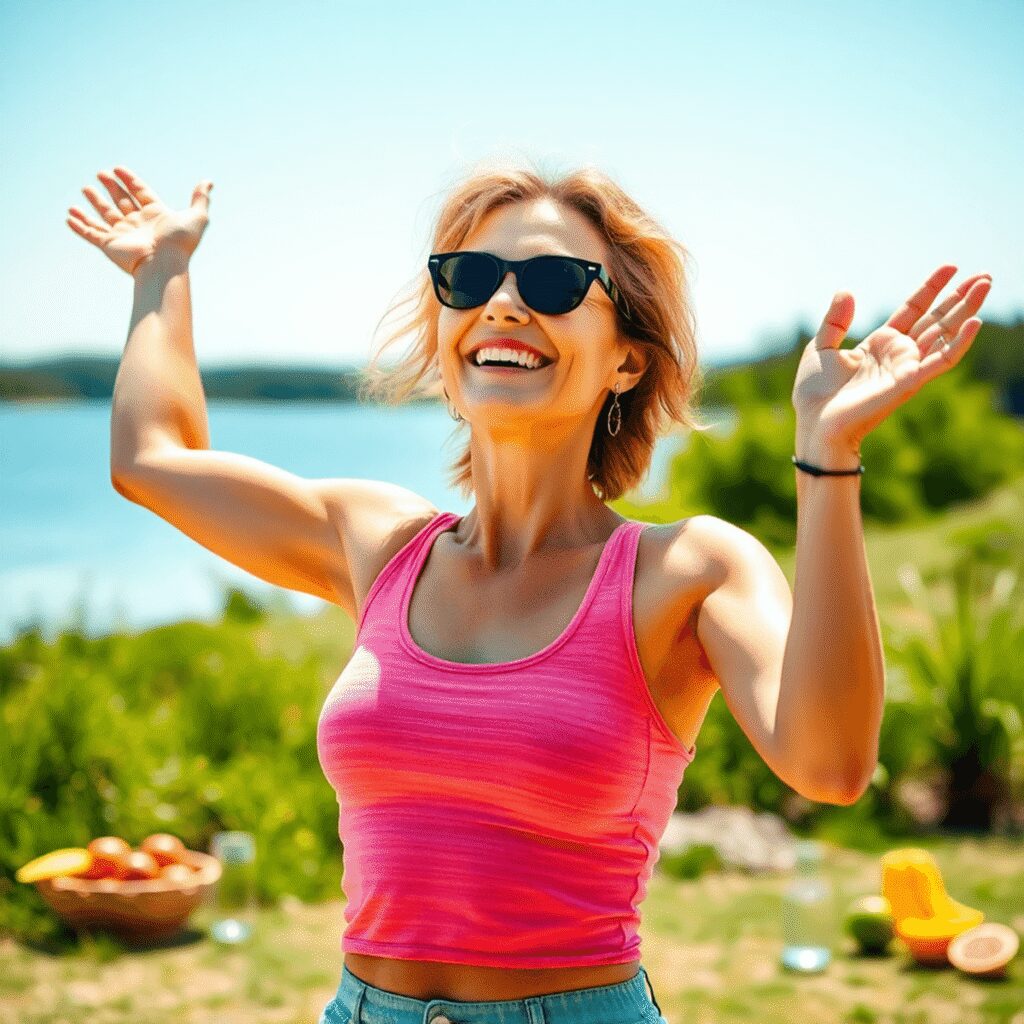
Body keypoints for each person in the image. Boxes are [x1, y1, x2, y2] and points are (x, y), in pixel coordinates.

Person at [67, 161, 990, 1024]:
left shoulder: (686, 570)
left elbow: (830, 764)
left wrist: (828, 455)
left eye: (552, 284)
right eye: (469, 279)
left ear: (626, 360)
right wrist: (162, 269)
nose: (503, 303)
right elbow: (152, 460)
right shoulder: (377, 544)